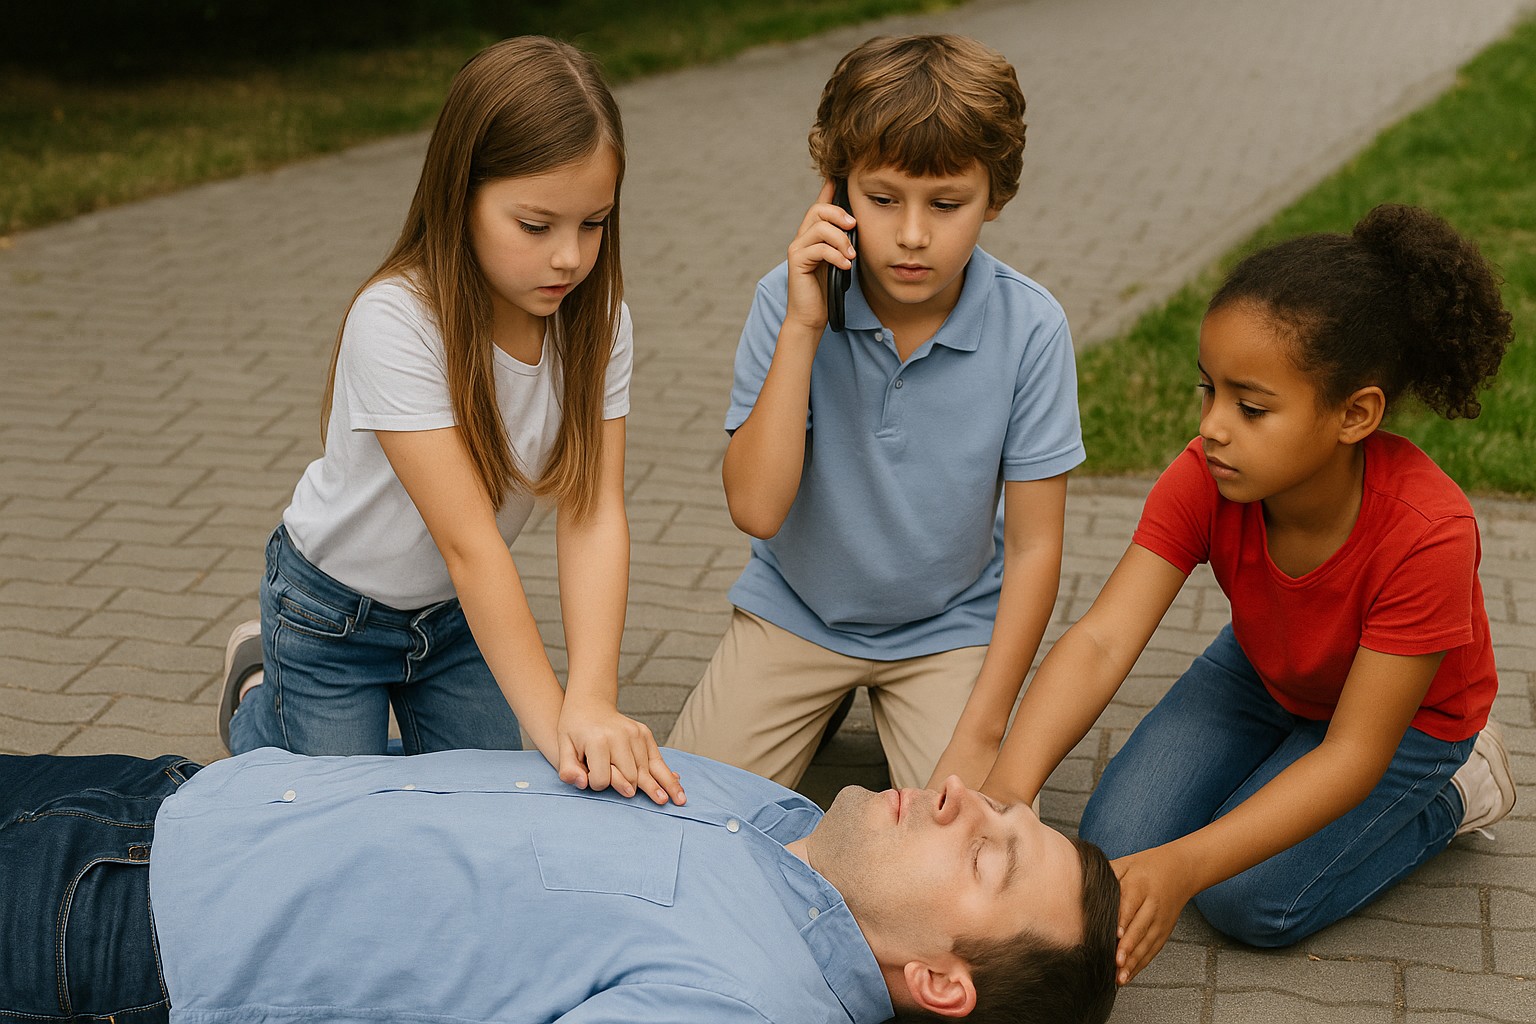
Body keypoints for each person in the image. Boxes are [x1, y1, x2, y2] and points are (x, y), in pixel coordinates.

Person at [979, 204, 1518, 985]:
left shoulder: (1428, 532)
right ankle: (1265, 769)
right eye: (1209, 392)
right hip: (1266, 672)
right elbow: (1101, 640)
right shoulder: (1206, 475)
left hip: (1404, 727)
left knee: (1247, 903)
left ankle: (1459, 792)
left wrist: (1189, 867)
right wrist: (1008, 787)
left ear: (1354, 414)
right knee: (1114, 847)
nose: (1212, 428)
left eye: (1251, 407)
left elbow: (1353, 755)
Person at [218, 37, 682, 806]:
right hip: (333, 616)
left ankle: (306, 718)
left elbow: (593, 511)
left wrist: (591, 698)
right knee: (339, 824)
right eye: (535, 226)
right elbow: (471, 545)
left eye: (593, 223)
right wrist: (558, 730)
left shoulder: (597, 320)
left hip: (455, 623)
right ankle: (260, 707)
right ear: (459, 193)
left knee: (486, 810)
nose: (569, 258)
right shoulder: (396, 319)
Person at [667, 34, 1084, 793]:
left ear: (997, 197)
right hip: (797, 612)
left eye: (948, 204)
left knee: (959, 869)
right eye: (883, 199)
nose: (914, 234)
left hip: (948, 627)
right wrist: (804, 326)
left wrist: (983, 730)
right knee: (683, 824)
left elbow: (1032, 550)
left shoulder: (1032, 327)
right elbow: (757, 510)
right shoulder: (784, 301)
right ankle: (815, 702)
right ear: (836, 192)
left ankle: (877, 708)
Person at [1, 746, 1120, 1024]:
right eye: (997, 812)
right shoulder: (771, 815)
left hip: (119, 933)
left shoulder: (749, 999)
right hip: (181, 796)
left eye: (987, 855)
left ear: (939, 980)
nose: (962, 798)